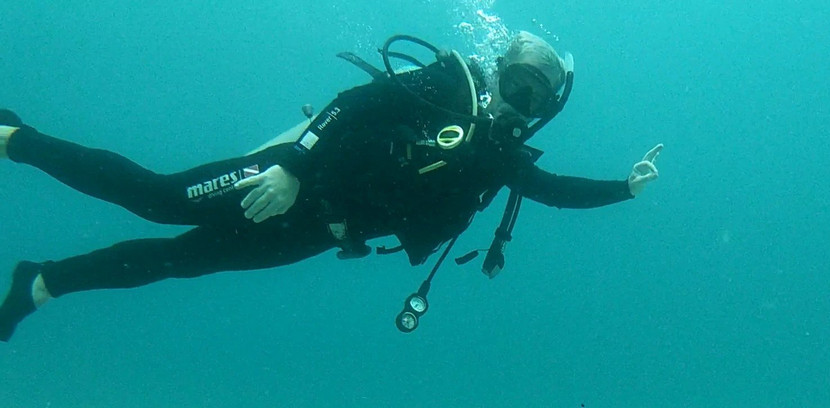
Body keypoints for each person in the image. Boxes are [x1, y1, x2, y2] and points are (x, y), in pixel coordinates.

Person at [0, 32, 661, 341]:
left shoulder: (499, 159)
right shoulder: (443, 85)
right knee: (157, 198)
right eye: (515, 83)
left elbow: (554, 189)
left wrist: (624, 189)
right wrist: (292, 165)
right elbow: (352, 103)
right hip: (283, 180)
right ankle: (15, 139)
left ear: (547, 108)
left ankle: (41, 282)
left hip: (316, 233)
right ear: (497, 73)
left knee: (179, 262)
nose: (518, 102)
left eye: (533, 97)